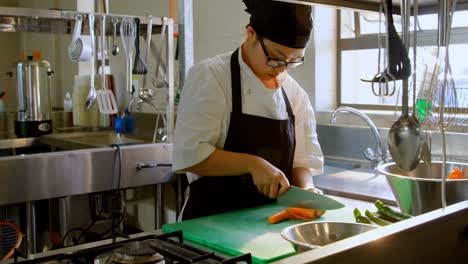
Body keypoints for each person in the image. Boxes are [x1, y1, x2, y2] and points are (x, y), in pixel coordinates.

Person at [173, 0, 324, 220]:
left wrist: (308, 191)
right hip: (209, 222)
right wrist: (253, 164)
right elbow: (190, 155)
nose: (282, 69)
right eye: (276, 57)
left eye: (293, 61)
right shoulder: (212, 76)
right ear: (250, 34)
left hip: (266, 225)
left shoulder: (295, 94)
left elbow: (302, 162)